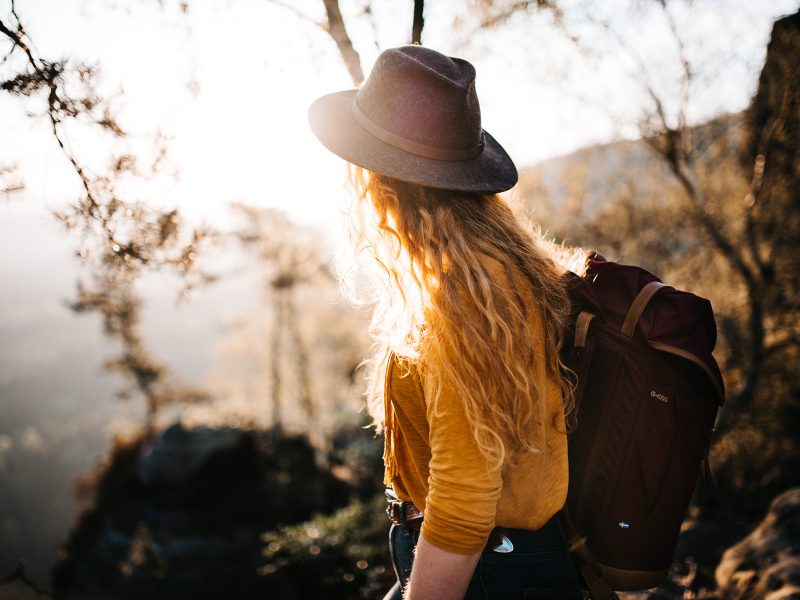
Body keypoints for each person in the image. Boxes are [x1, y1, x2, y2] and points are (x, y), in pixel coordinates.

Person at [308, 45, 584, 600]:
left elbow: (464, 497)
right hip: (489, 559)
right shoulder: (486, 266)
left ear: (380, 182)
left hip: (487, 568)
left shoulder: (466, 296)